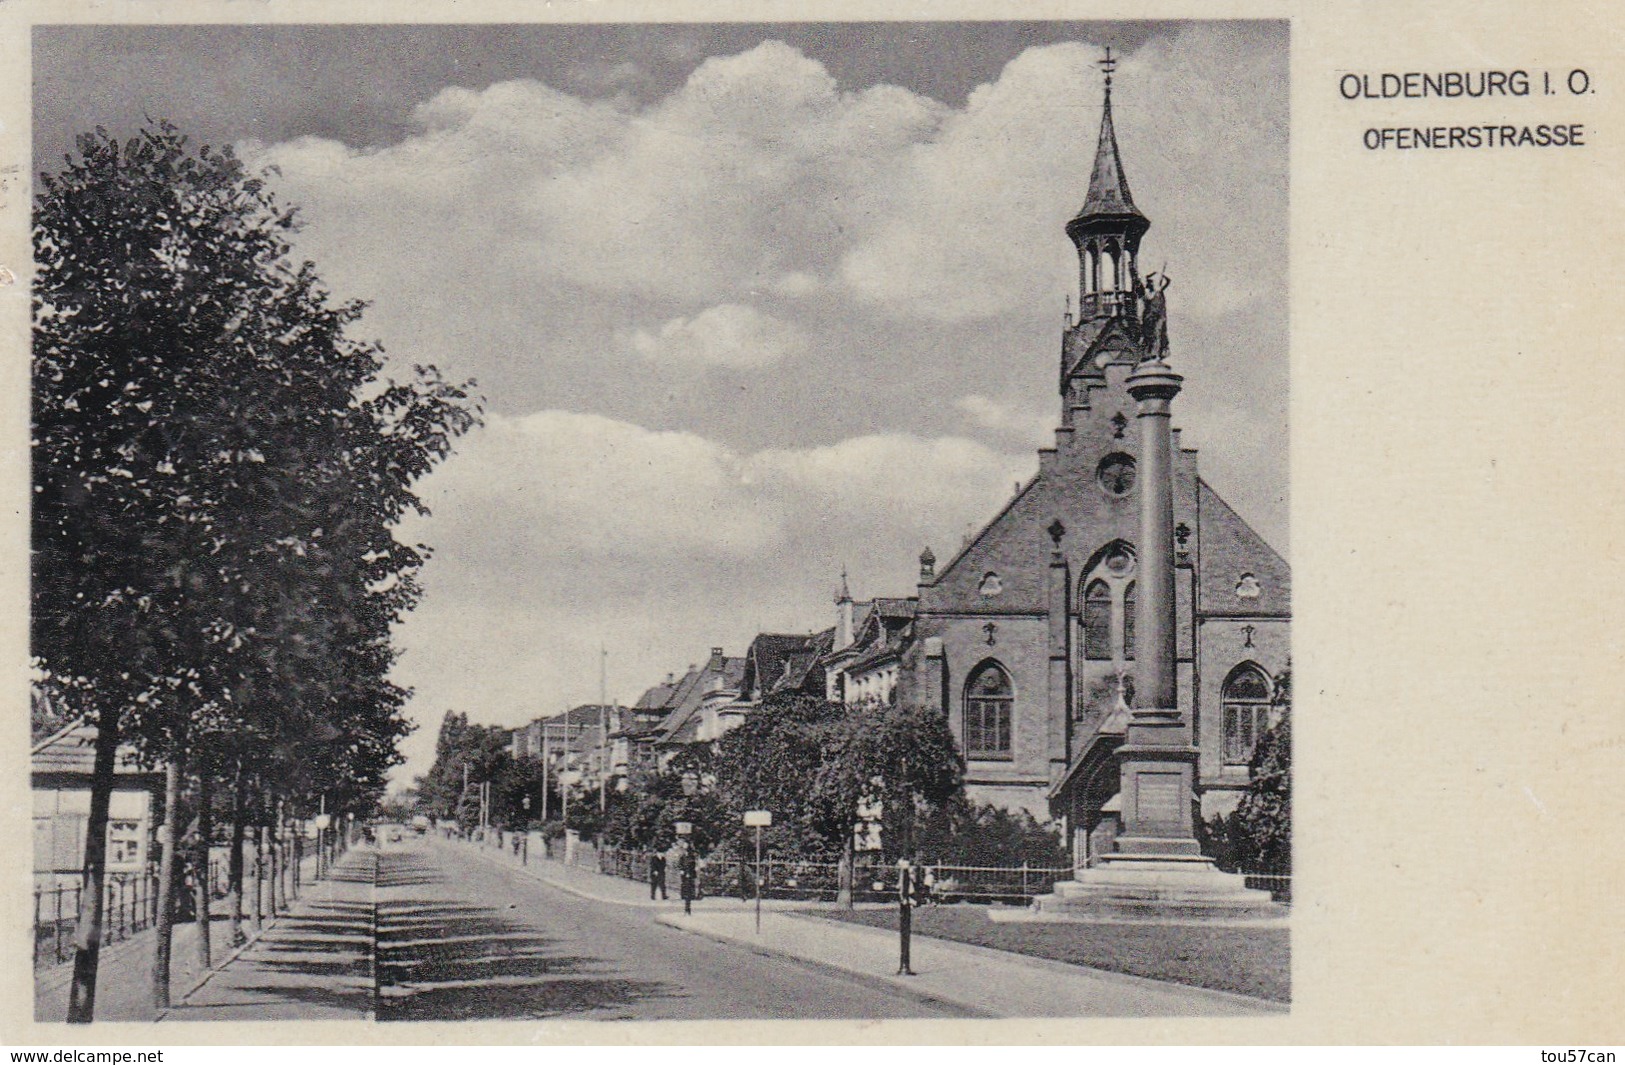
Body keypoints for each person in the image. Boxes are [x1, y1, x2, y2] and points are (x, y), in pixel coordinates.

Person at [896, 858, 917, 976]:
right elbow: (904, 887)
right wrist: (905, 898)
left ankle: (904, 965)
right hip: (905, 903)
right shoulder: (904, 873)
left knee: (905, 932)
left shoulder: (905, 873)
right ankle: (904, 965)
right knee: (905, 931)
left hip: (906, 902)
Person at [678, 844, 698, 915]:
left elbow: (692, 866)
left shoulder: (691, 857)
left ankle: (688, 908)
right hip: (684, 876)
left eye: (686, 850)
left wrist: (689, 873)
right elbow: (680, 865)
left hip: (690, 876)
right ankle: (687, 907)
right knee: (685, 889)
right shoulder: (682, 857)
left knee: (689, 891)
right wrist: (682, 871)